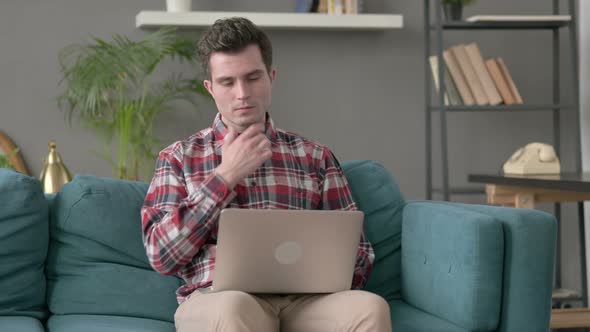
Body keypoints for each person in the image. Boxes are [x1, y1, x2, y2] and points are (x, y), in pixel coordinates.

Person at [141, 17, 392, 332]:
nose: (242, 93)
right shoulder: (178, 158)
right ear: (211, 88)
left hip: (307, 302)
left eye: (253, 77)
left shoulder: (315, 157)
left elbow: (360, 252)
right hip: (218, 298)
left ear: (271, 77)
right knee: (234, 309)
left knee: (369, 308)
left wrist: (323, 271)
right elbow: (161, 255)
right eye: (228, 82)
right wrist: (224, 177)